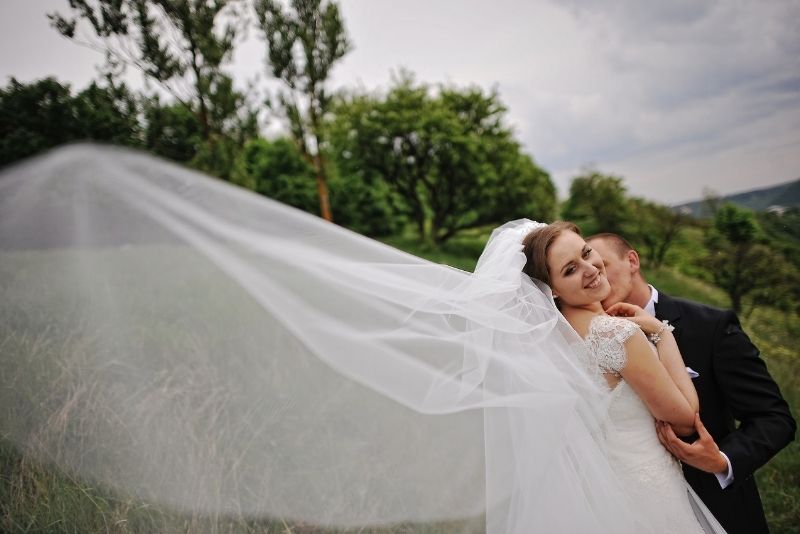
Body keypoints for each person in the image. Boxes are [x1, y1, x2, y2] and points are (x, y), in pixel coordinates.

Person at [518, 221, 724, 533]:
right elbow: (685, 420)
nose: (591, 268)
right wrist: (661, 333)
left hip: (595, 495)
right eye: (570, 269)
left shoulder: (551, 341)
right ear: (552, 289)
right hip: (646, 493)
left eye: (587, 253)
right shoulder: (617, 334)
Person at [586, 232, 796, 534]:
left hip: (717, 505)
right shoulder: (584, 339)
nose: (597, 279)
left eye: (603, 266)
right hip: (631, 508)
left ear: (632, 260)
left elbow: (774, 417)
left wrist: (723, 460)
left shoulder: (710, 326)